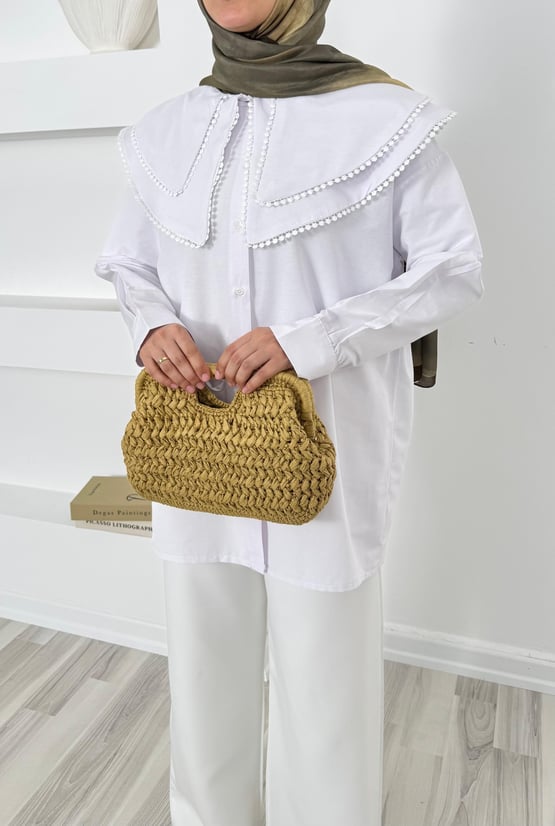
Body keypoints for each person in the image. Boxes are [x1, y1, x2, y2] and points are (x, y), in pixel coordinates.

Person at [95, 1, 483, 823]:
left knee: (323, 671)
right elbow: (128, 262)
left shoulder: (386, 119)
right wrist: (151, 326)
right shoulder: (166, 130)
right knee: (201, 660)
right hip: (195, 444)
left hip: (324, 447)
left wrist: (311, 341)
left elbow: (450, 270)